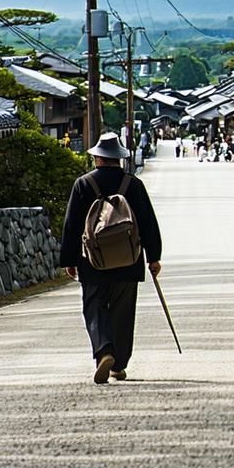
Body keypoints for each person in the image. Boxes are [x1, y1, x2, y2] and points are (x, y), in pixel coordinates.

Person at [58, 133, 163, 383]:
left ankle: (104, 350)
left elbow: (72, 225)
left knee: (94, 307)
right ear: (120, 159)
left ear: (97, 158)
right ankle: (119, 364)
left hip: (92, 260)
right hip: (129, 259)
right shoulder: (133, 185)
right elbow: (148, 221)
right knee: (123, 312)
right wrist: (153, 257)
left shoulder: (83, 184)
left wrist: (69, 260)